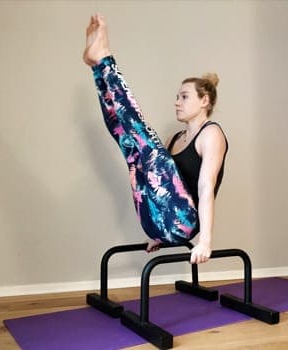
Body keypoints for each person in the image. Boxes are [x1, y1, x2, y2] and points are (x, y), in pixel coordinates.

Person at [83, 13, 228, 264]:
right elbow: (163, 186)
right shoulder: (175, 138)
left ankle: (104, 59)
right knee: (128, 141)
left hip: (183, 223)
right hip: (155, 222)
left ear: (204, 101)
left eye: (184, 96)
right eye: (177, 96)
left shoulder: (212, 134)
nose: (176, 102)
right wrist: (159, 236)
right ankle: (98, 70)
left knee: (144, 142)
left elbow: (205, 188)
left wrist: (205, 241)